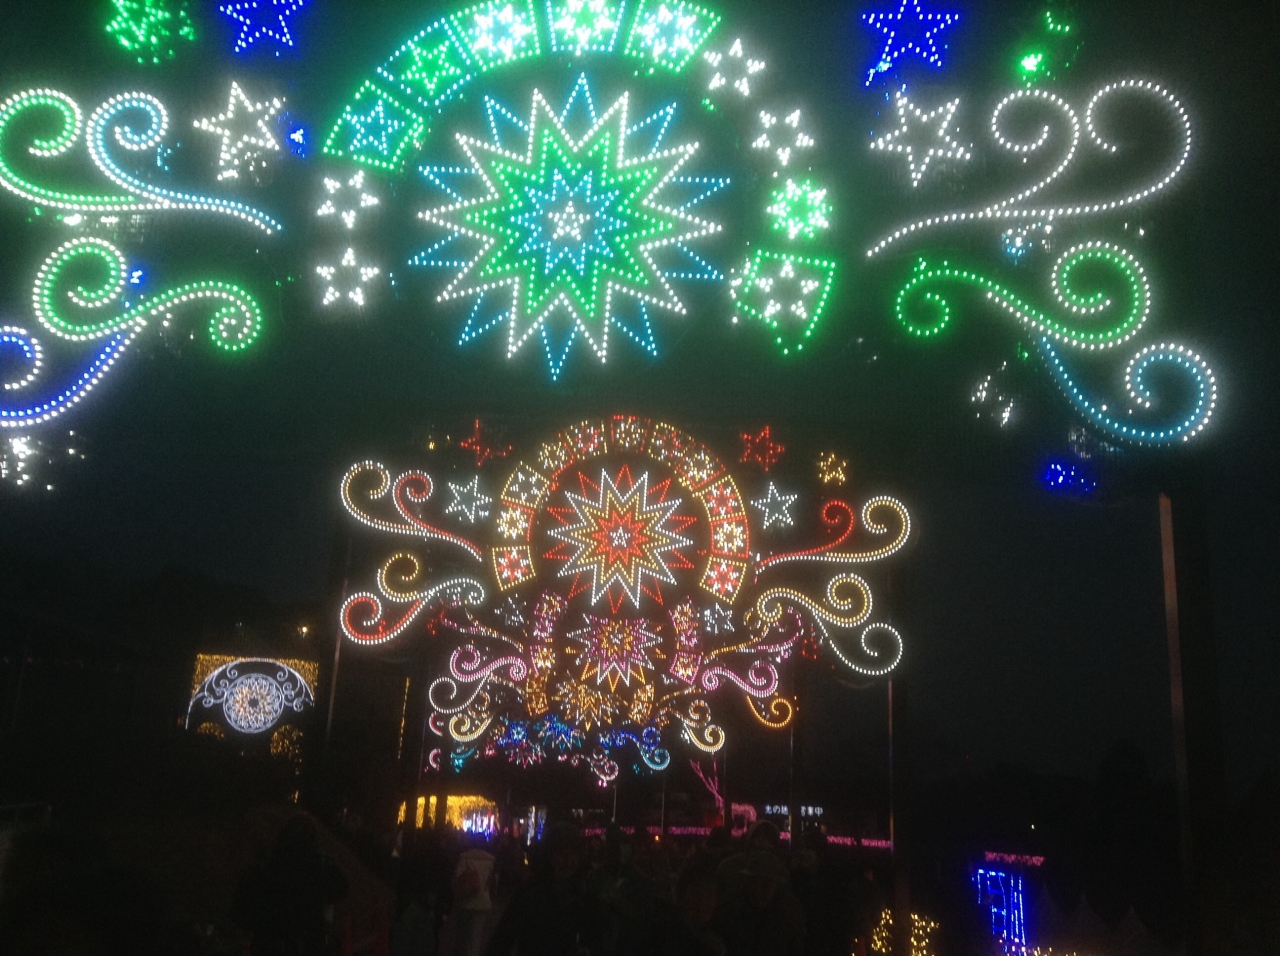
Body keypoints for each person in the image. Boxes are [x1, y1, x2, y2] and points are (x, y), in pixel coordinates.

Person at [233, 814, 349, 956]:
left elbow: (240, 910)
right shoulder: (318, 864)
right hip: (305, 944)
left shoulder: (266, 863)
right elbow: (341, 887)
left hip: (270, 943)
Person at [485, 823, 594, 956]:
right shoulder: (530, 893)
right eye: (561, 853)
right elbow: (502, 940)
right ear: (550, 855)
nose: (567, 861)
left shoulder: (581, 893)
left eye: (573, 854)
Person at [451, 834, 495, 956]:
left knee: (462, 937)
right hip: (482, 902)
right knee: (475, 937)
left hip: (465, 901)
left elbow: (458, 877)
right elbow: (490, 882)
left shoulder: (465, 857)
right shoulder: (490, 860)